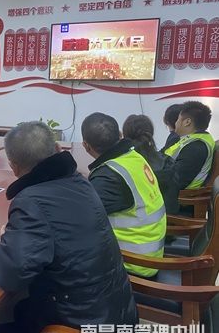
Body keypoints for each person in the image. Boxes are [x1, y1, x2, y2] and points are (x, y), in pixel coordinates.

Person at [0, 121, 137, 333]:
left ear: (13, 166)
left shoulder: (32, 201)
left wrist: (7, 237)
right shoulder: (82, 182)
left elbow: (9, 274)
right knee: (20, 309)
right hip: (120, 317)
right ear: (57, 148)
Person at [82, 113, 166, 277]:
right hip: (151, 254)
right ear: (120, 135)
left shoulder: (109, 177)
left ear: (86, 145)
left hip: (133, 265)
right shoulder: (133, 157)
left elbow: (82, 219)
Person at [123, 114, 179, 214]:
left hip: (138, 221)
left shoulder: (121, 167)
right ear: (151, 133)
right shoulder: (167, 161)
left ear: (124, 135)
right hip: (168, 217)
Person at [164, 101, 215, 191]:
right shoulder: (190, 139)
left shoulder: (197, 147)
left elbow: (176, 181)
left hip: (180, 197)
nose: (176, 123)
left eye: (178, 119)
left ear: (187, 122)